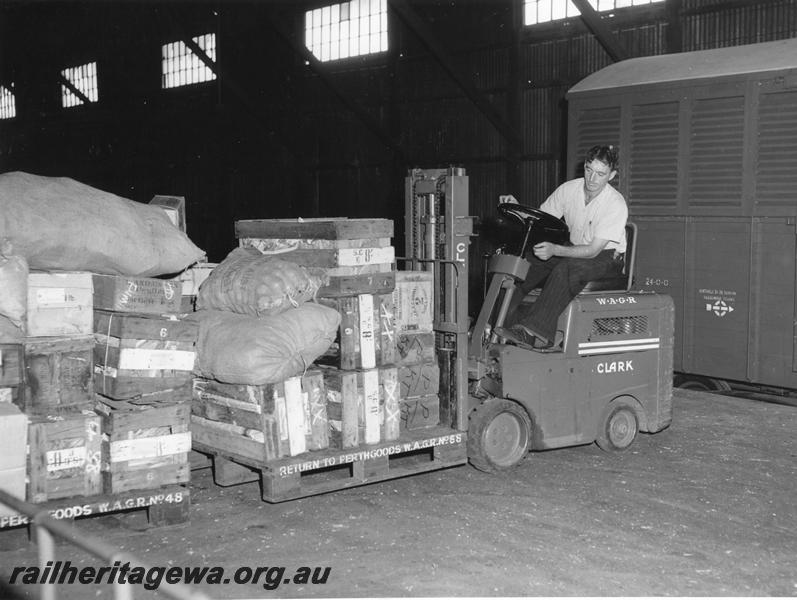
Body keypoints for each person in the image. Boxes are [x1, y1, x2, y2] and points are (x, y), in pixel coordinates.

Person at [497, 144, 627, 349]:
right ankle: (498, 324)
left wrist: (555, 250)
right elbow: (541, 218)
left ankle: (533, 332)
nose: (592, 179)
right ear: (584, 166)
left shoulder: (615, 204)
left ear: (611, 176)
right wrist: (518, 208)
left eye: (600, 174)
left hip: (606, 257)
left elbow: (592, 250)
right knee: (528, 263)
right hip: (575, 248)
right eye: (589, 170)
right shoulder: (569, 189)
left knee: (565, 269)